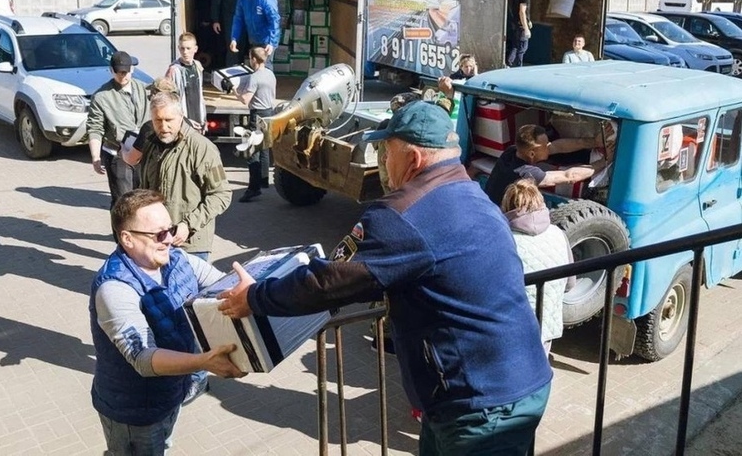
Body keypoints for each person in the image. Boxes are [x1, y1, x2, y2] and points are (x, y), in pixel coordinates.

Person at [218, 100, 553, 455]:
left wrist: (254, 297)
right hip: (508, 385)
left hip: (481, 404)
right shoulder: (473, 192)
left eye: (386, 150)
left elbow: (328, 282)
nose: (382, 160)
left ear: (412, 158)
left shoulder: (405, 214)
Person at [89, 189, 245, 455]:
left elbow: (223, 285)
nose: (170, 240)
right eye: (159, 234)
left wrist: (249, 288)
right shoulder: (114, 288)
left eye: (170, 229)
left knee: (163, 444)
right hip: (135, 413)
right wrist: (203, 362)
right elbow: (143, 358)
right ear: (127, 238)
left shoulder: (177, 260)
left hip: (171, 394)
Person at [137, 91, 232, 260]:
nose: (163, 127)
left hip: (190, 246)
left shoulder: (202, 148)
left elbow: (221, 194)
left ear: (181, 116)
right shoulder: (151, 144)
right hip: (156, 242)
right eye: (158, 120)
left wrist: (188, 225)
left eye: (169, 120)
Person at [501, 179, 573, 354]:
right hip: (546, 325)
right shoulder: (559, 234)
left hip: (511, 328)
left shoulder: (504, 239)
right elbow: (570, 284)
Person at [484, 123, 608, 206]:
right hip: (501, 215)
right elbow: (569, 176)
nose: (549, 145)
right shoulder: (526, 173)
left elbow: (557, 146)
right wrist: (605, 161)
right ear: (532, 154)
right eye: (546, 145)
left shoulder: (512, 151)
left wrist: (594, 142)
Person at [87, 51, 150, 208]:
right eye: (118, 72)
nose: (122, 76)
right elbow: (95, 128)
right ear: (111, 70)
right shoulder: (101, 96)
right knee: (123, 201)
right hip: (117, 154)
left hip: (142, 152)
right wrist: (96, 156)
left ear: (132, 70)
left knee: (143, 198)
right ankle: (120, 232)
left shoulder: (144, 89)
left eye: (126, 72)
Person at [234, 46, 277, 202]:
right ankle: (264, 180)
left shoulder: (255, 77)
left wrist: (235, 92)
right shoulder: (271, 74)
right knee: (265, 148)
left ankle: (253, 188)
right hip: (269, 113)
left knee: (252, 152)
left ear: (253, 59)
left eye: (250, 58)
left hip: (257, 115)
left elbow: (246, 100)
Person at [121, 77, 178, 168]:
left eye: (151, 94)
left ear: (156, 96)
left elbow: (132, 159)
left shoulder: (150, 128)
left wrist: (123, 150)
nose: (149, 97)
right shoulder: (186, 124)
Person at [230, 0, 281, 69]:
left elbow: (274, 21)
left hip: (266, 39)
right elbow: (238, 19)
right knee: (254, 66)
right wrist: (234, 38)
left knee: (265, 67)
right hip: (253, 38)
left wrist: (271, 42)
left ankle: (267, 84)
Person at [166, 32, 207, 130]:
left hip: (198, 119)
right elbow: (168, 100)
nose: (185, 52)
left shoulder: (198, 66)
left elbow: (200, 95)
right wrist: (184, 120)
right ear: (178, 48)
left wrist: (204, 118)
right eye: (182, 48)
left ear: (195, 49)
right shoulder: (174, 70)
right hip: (182, 122)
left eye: (188, 48)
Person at [506, 0, 536, 68]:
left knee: (515, 45)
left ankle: (508, 63)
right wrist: (526, 28)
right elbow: (522, 12)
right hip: (521, 26)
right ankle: (517, 68)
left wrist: (528, 21)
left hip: (515, 23)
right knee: (522, 49)